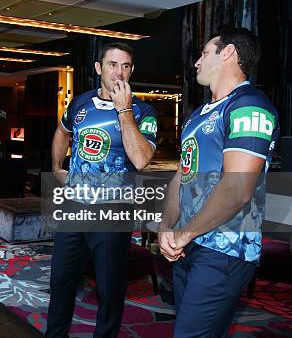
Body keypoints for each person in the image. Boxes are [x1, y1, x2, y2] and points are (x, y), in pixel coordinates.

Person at [158, 28, 279, 337]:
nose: (197, 62)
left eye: (204, 53)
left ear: (227, 53)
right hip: (190, 245)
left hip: (226, 249)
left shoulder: (250, 104)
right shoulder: (197, 115)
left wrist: (184, 234)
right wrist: (166, 227)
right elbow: (181, 176)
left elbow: (237, 189)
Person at [47, 42, 157, 337]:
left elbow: (142, 159)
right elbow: (62, 131)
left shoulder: (144, 111)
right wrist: (58, 167)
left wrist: (124, 110)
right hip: (74, 207)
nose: (119, 72)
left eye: (125, 66)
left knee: (109, 290)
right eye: (112, 65)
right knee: (60, 282)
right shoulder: (80, 103)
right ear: (99, 68)